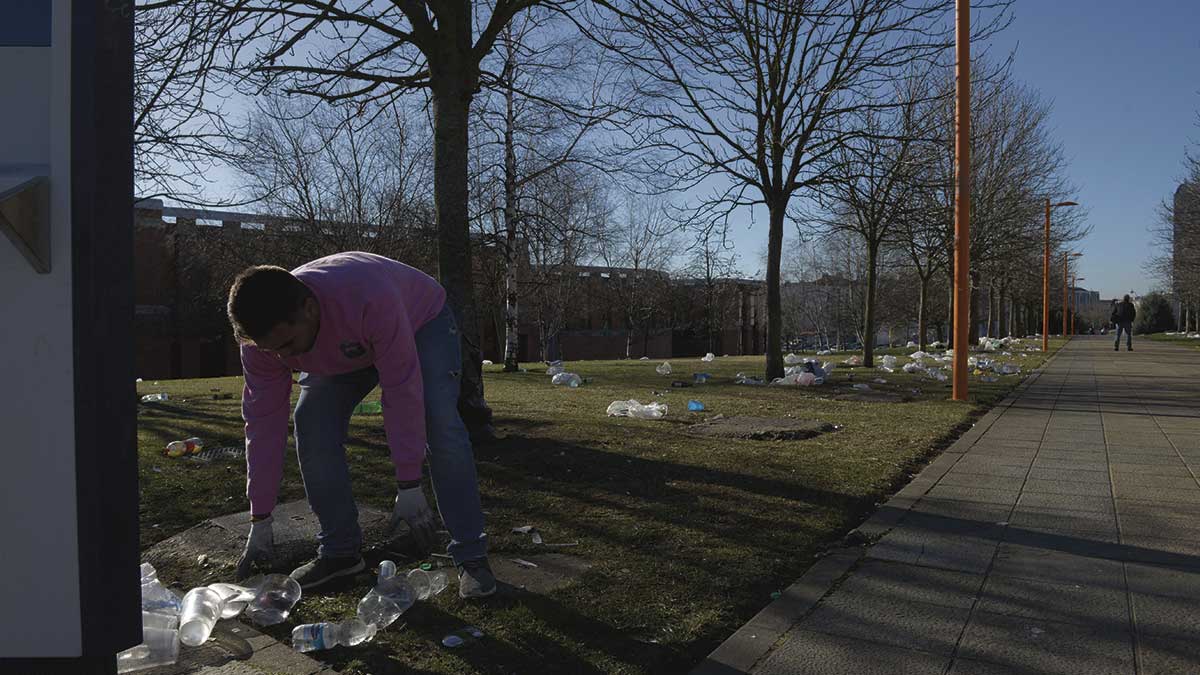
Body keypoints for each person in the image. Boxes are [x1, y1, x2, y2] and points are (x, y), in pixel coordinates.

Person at [226, 251, 494, 597]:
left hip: (421, 321)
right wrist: (260, 516)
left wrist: (409, 482)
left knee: (439, 421)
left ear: (308, 308)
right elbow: (262, 424)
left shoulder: (368, 295)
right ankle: (339, 553)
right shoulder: (262, 344)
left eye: (288, 345)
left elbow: (401, 390)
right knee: (311, 422)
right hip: (346, 345)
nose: (284, 359)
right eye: (272, 350)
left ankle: (471, 555)